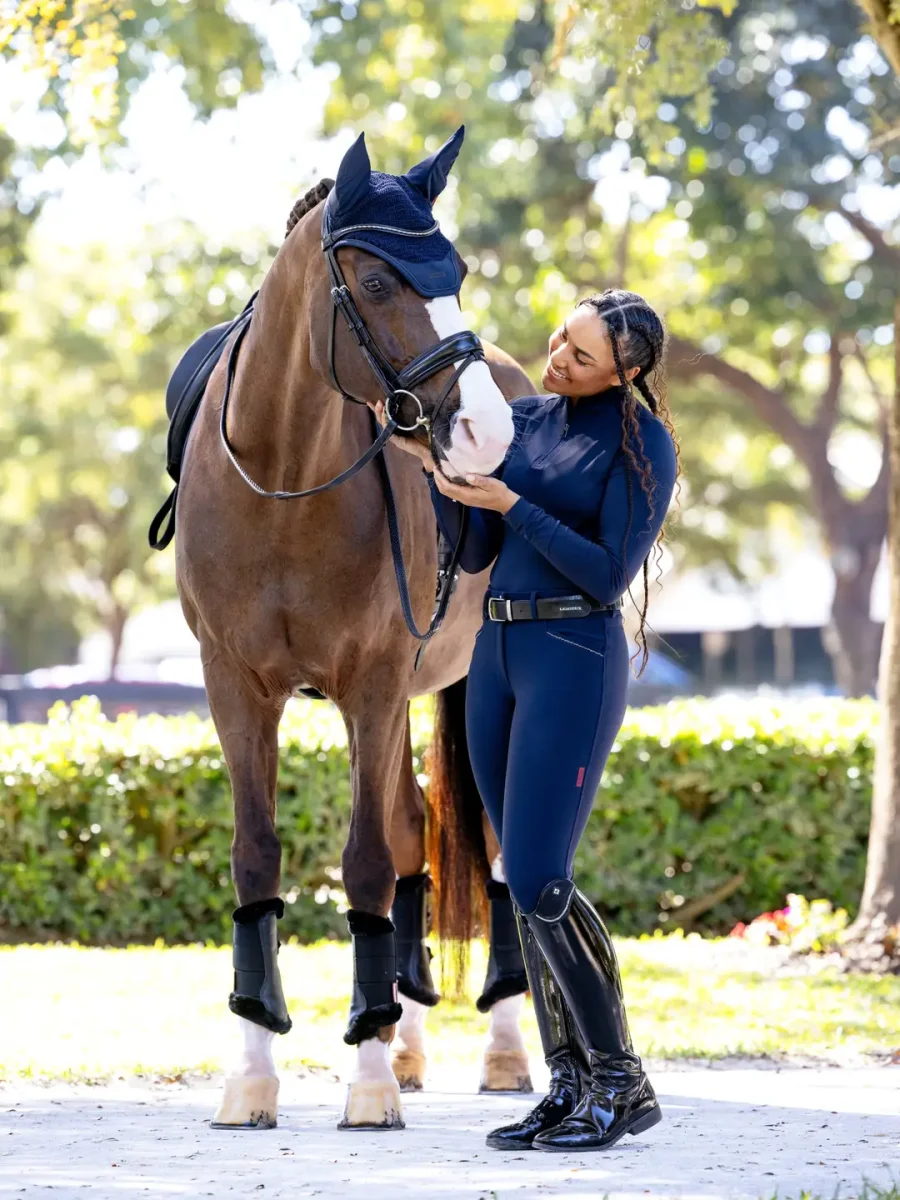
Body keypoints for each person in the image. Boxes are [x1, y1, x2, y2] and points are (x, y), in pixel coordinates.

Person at [374, 287, 678, 1153]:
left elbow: (605, 571)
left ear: (628, 370)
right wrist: (450, 489)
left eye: (582, 357)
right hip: (496, 658)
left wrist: (513, 506)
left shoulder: (639, 444)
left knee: (543, 877)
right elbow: (482, 549)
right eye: (559, 341)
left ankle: (621, 1082)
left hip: (572, 659)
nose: (558, 361)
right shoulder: (529, 420)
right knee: (519, 880)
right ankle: (569, 1084)